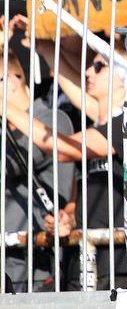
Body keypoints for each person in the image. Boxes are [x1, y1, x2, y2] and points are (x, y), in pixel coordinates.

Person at [0, 48, 75, 292]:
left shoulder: (52, 119)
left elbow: (15, 160)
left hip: (36, 266)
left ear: (10, 81)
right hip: (9, 263)